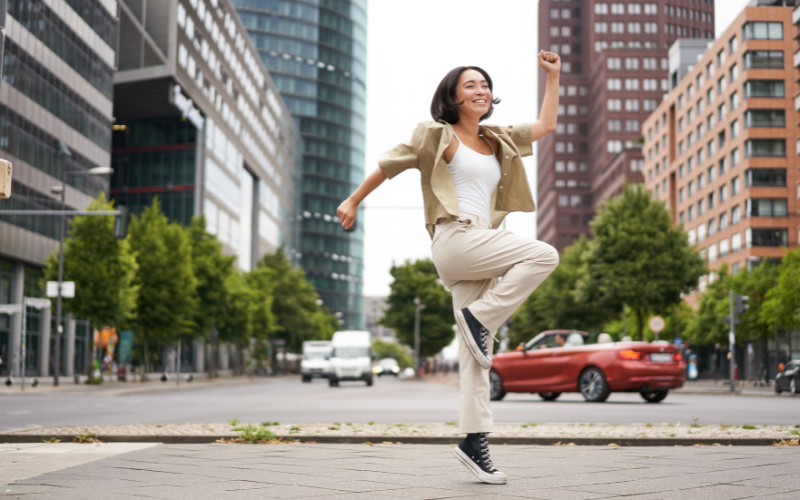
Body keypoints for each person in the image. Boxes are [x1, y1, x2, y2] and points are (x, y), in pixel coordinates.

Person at [337, 51, 562, 484]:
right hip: (456, 237)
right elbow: (390, 163)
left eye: (485, 85)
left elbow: (546, 125)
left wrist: (553, 77)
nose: (481, 91)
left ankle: (474, 442)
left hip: (481, 245)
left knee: (475, 359)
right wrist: (353, 200)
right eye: (471, 86)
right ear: (453, 98)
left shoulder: (498, 139)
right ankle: (480, 318)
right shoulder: (436, 135)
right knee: (544, 254)